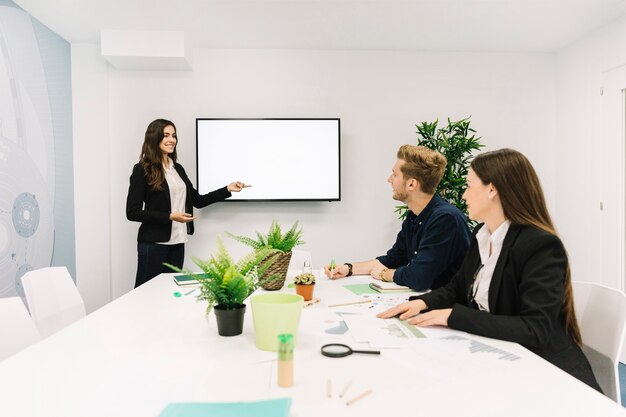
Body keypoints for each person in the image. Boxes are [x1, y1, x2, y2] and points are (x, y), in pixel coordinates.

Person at [377, 148, 601, 391]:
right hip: (501, 357)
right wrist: (423, 303)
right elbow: (457, 288)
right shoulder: (482, 235)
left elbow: (534, 329)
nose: (463, 195)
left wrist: (453, 316)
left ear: (492, 190)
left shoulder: (540, 245)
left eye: (469, 186)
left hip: (548, 374)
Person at [324, 145, 471, 291]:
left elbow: (419, 278)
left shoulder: (446, 219)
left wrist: (384, 274)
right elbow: (393, 259)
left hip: (447, 308)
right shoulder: (414, 216)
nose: (389, 180)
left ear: (411, 184)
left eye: (394, 175)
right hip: (428, 300)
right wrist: (348, 269)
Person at [126, 119, 250, 288]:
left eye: (174, 135)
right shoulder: (142, 169)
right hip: (153, 245)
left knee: (170, 293)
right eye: (166, 135)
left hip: (178, 243)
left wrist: (227, 189)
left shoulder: (178, 169)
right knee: (146, 294)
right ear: (154, 138)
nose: (172, 140)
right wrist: (170, 216)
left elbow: (198, 200)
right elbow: (132, 212)